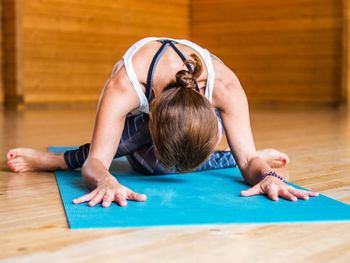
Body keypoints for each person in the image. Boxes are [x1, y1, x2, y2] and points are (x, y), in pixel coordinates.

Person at [6, 37, 318, 208]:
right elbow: (97, 161)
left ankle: (215, 151)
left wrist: (266, 174)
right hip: (140, 124)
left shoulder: (224, 87)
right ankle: (58, 161)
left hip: (187, 120)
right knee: (150, 166)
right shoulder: (124, 87)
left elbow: (248, 161)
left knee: (184, 160)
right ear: (153, 115)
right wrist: (105, 180)